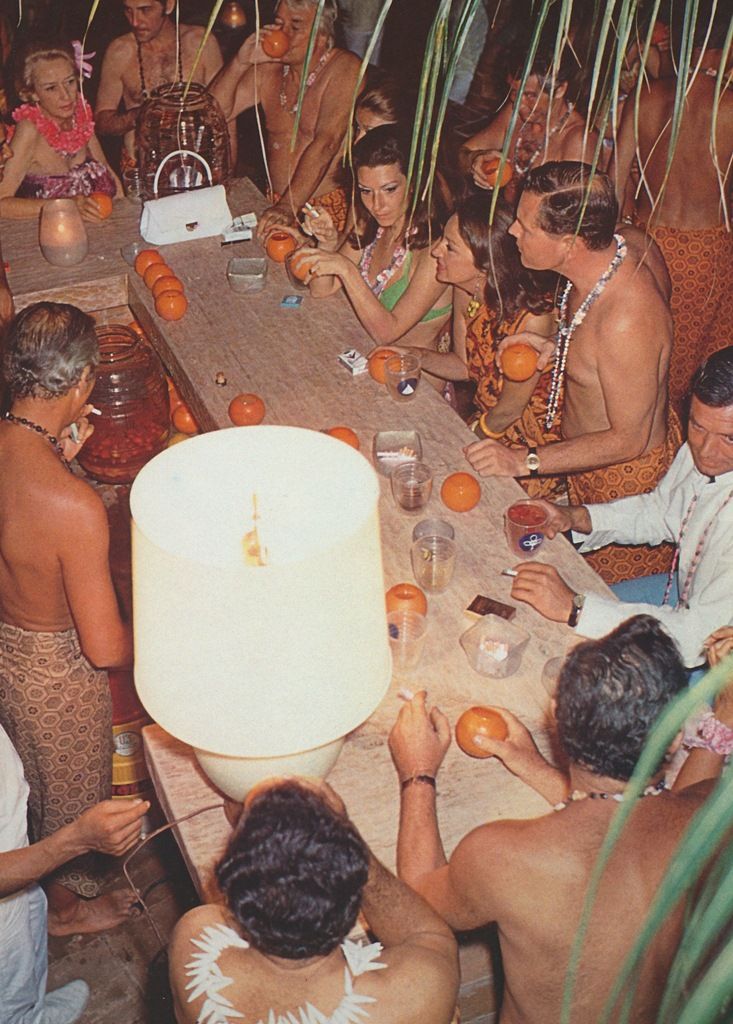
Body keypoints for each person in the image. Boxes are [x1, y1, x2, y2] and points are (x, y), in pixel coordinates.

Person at [389, 616, 727, 1023]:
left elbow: (419, 896)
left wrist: (418, 771)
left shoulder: (504, 856)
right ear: (675, 737)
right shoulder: (710, 819)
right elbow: (657, 808)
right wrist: (724, 714)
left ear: (555, 717)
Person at [465, 161, 679, 584]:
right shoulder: (624, 243)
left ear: (569, 243)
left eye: (526, 228)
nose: (512, 233)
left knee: (602, 599)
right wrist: (562, 348)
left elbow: (629, 439)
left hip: (622, 484)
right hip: (587, 466)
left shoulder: (626, 319)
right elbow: (612, 354)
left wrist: (521, 461)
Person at [0, 302, 134, 935]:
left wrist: (59, 452)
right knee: (66, 804)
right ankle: (64, 912)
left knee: (29, 785)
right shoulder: (75, 506)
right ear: (81, 384)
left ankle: (54, 905)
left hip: (9, 648)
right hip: (57, 677)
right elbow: (106, 649)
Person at [507, 345, 733, 672]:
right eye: (697, 427)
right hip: (689, 601)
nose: (706, 451)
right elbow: (661, 512)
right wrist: (576, 517)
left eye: (729, 438)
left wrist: (576, 608)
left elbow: (697, 638)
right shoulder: (709, 450)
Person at [168, 779, 459, 1024]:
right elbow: (427, 934)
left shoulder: (193, 937)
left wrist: (257, 844)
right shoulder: (413, 997)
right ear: (352, 912)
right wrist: (349, 843)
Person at [380, 194, 563, 497]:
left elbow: (509, 411)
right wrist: (413, 355)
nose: (436, 251)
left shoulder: (533, 319)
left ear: (484, 263)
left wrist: (462, 440)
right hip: (487, 427)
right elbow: (464, 366)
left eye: (449, 247)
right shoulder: (467, 289)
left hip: (528, 448)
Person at [611, 0, 733, 417]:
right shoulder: (730, 106)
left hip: (648, 242)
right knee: (696, 367)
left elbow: (614, 179)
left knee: (648, 356)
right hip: (706, 253)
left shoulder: (645, 96)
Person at [1, 718, 148, 1024]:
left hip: (13, 846)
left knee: (31, 931)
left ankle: (33, 1007)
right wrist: (77, 839)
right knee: (9, 976)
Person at [298, 126, 452, 356]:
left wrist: (347, 270)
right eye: (366, 191)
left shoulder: (434, 250)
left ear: (414, 183)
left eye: (389, 189)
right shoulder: (369, 224)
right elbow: (322, 289)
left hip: (410, 382)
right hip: (361, 358)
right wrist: (328, 244)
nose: (376, 205)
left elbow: (387, 333)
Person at [210, 0, 360, 235]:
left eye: (296, 25)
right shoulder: (270, 70)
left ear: (322, 34)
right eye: (279, 23)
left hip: (325, 214)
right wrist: (240, 63)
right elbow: (212, 114)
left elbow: (326, 143)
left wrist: (288, 206)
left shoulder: (343, 68)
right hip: (277, 204)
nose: (283, 34)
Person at [94, 0, 225, 176]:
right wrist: (139, 116)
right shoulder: (119, 52)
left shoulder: (201, 43)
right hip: (142, 168)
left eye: (145, 10)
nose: (134, 21)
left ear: (169, 5)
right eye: (128, 11)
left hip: (198, 161)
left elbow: (224, 113)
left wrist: (227, 170)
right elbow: (101, 122)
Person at [0, 39, 121, 220]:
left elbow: (111, 178)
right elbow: (2, 204)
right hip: (51, 238)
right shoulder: (29, 129)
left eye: (70, 82)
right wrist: (64, 205)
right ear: (31, 93)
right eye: (51, 88)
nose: (65, 96)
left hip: (103, 230)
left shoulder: (81, 115)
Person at [459, 53, 600, 205]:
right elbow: (463, 152)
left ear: (559, 90)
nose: (519, 103)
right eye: (514, 92)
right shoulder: (514, 113)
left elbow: (569, 212)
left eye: (530, 95)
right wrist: (476, 161)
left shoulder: (578, 139)